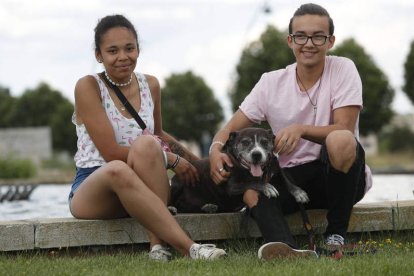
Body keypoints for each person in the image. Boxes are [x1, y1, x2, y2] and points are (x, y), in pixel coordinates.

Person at [209, 3, 372, 260]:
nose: (309, 43)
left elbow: (345, 128)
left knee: (340, 139)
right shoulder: (270, 82)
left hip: (338, 176)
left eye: (318, 36)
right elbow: (228, 129)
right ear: (290, 40)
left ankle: (335, 236)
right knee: (252, 191)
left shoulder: (343, 68)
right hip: (291, 178)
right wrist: (215, 150)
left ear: (330, 41)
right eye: (300, 36)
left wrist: (301, 129)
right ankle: (287, 249)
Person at [68, 14, 226, 261]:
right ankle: (191, 249)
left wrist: (202, 166)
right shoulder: (88, 86)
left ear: (138, 49)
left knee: (146, 143)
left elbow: (159, 135)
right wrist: (171, 160)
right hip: (95, 187)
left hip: (142, 184)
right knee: (120, 167)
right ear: (98, 55)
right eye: (112, 51)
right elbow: (110, 153)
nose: (122, 56)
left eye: (129, 48)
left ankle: (157, 247)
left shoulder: (150, 84)